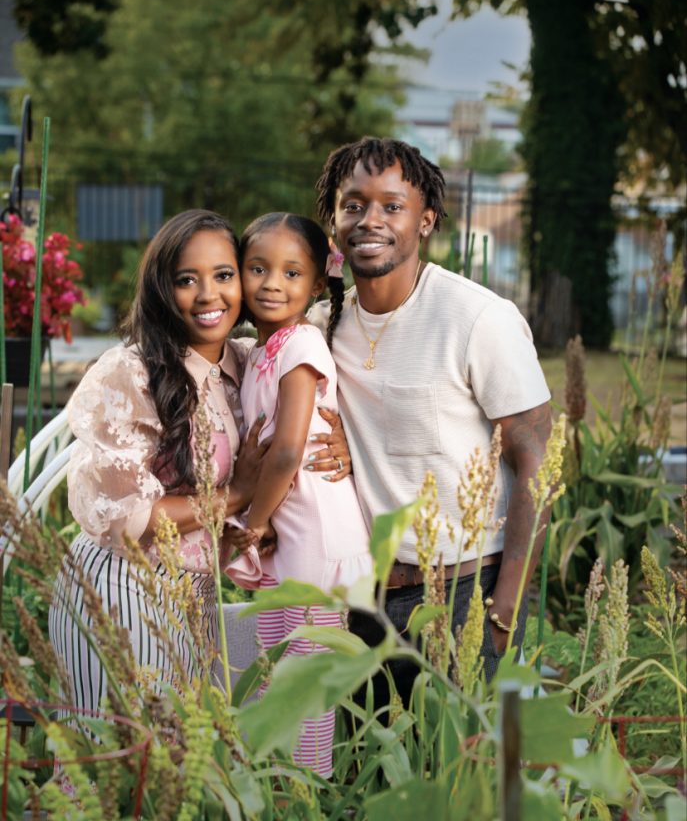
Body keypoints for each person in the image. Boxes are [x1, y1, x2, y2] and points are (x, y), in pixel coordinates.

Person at [311, 136, 552, 704]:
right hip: (363, 598)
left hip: (465, 590)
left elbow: (535, 461)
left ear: (426, 221)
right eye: (354, 205)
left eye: (392, 206)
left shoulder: (476, 318)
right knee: (371, 776)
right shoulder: (323, 325)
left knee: (470, 776)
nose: (371, 220)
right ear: (334, 221)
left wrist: (506, 606)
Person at [49, 209, 270, 712]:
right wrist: (236, 495)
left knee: (179, 769)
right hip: (123, 585)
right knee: (122, 766)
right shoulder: (131, 373)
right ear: (161, 290)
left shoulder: (249, 363)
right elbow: (128, 519)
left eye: (224, 275)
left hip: (199, 594)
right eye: (186, 280)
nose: (209, 294)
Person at [227, 213, 371, 776]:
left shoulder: (303, 342)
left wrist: (254, 523)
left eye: (291, 273)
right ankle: (274, 793)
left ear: (315, 287)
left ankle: (309, 795)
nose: (271, 284)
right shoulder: (261, 349)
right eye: (257, 269)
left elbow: (286, 450)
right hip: (288, 538)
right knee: (273, 673)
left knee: (306, 688)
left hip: (313, 537)